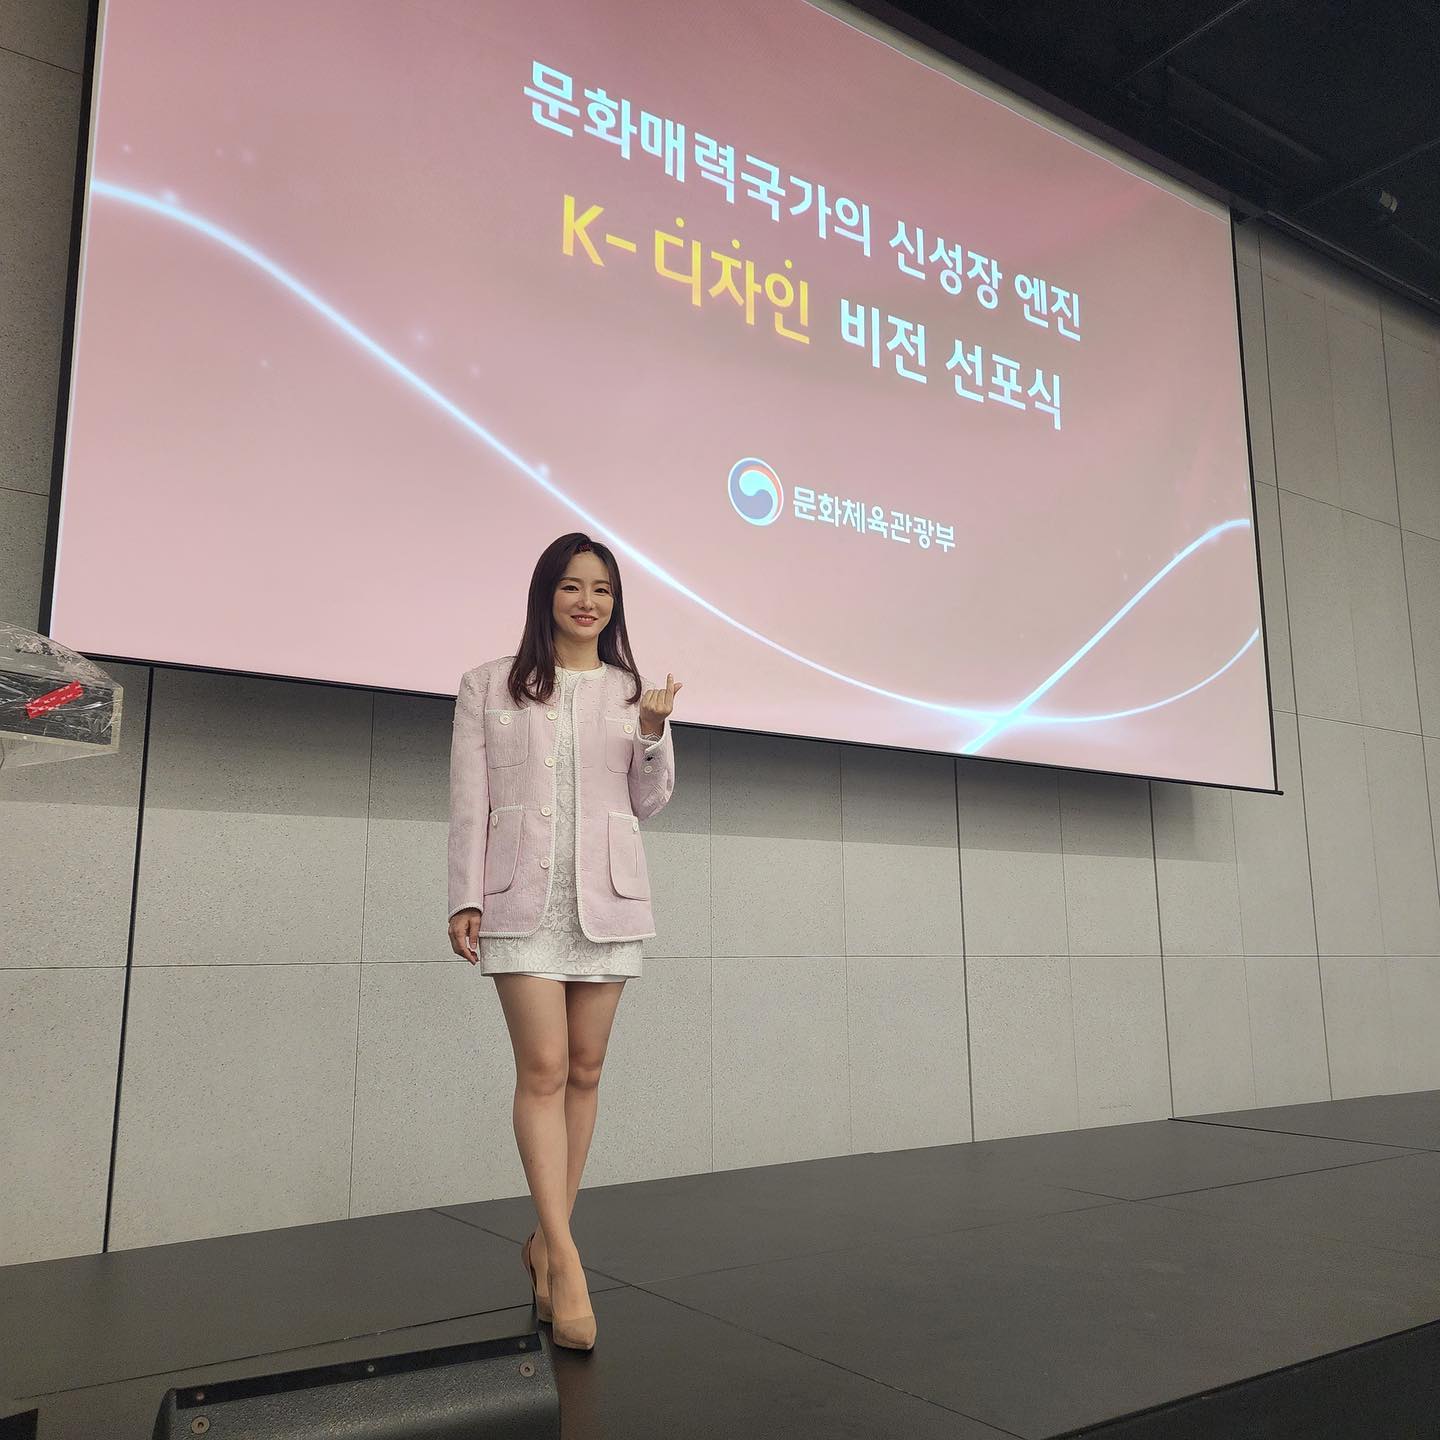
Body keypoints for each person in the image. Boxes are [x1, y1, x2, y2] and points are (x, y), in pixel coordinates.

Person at [446, 531, 682, 1351]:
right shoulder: (489, 685)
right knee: (543, 1070)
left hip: (606, 901)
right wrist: (463, 896)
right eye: (573, 586)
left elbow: (649, 802)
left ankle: (545, 1245)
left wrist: (651, 733)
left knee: (585, 1071)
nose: (588, 601)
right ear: (546, 593)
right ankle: (569, 1261)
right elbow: (468, 799)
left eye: (603, 590)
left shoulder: (632, 691)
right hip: (520, 900)